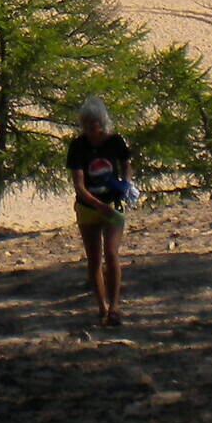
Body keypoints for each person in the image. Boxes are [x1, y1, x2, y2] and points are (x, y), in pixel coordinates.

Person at [68, 97, 133, 327]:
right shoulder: (77, 146)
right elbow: (79, 186)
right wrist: (98, 206)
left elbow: (126, 163)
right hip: (88, 207)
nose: (89, 128)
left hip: (113, 204)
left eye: (92, 123)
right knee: (94, 258)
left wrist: (126, 183)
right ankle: (101, 308)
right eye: (85, 123)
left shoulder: (115, 141)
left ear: (101, 122)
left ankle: (114, 306)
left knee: (112, 253)